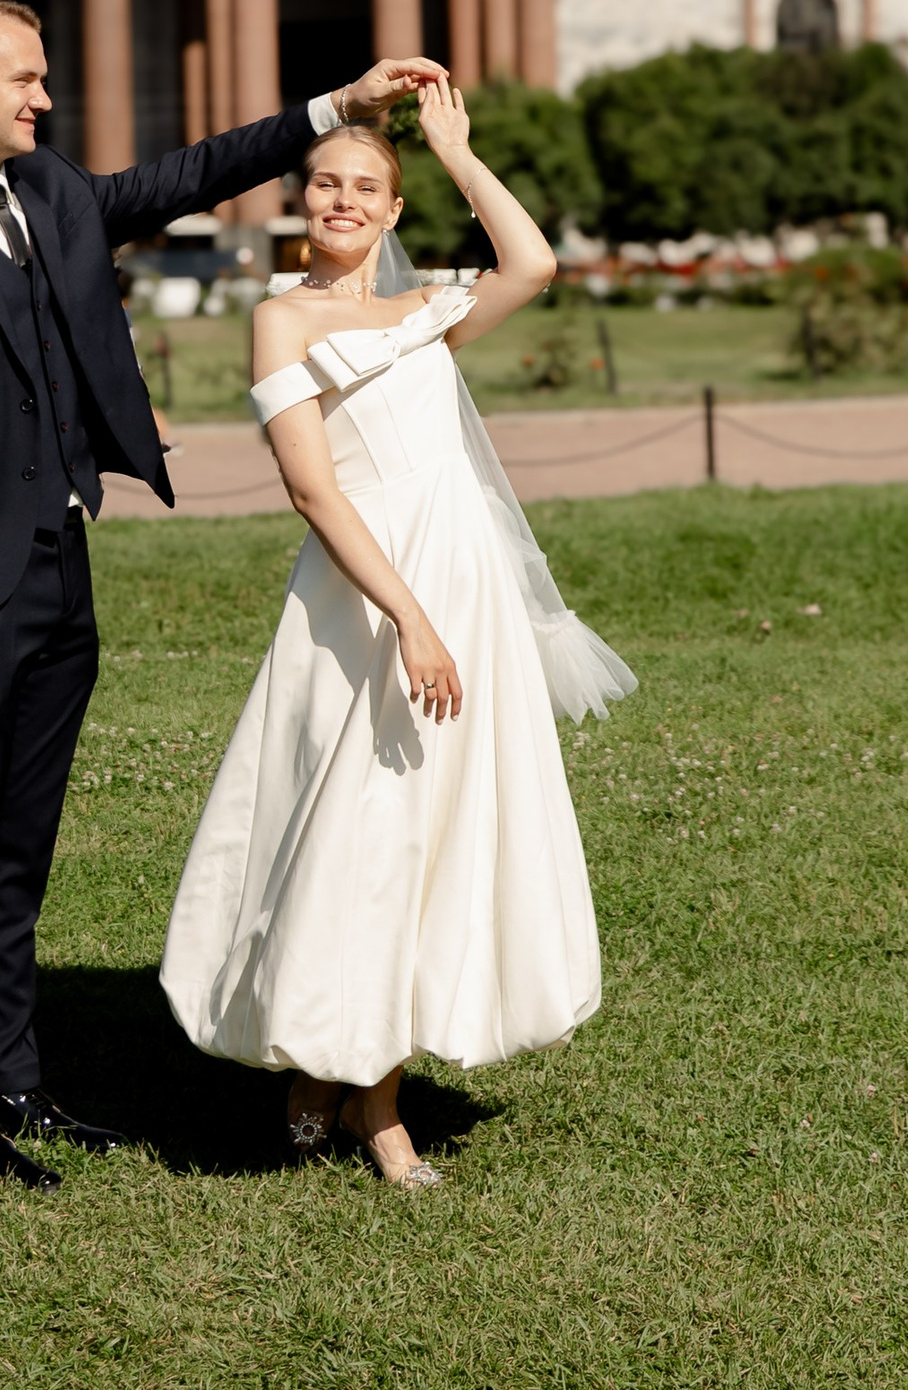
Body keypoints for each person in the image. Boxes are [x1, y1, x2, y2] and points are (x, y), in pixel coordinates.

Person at [0, 0, 448, 1189]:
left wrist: (337, 106)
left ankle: (16, 1083)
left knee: (22, 856)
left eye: (44, 77)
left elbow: (196, 171)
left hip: (61, 568)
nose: (44, 96)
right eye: (25, 77)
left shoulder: (53, 194)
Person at [161, 81, 635, 1184]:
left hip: (469, 592)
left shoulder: (426, 306)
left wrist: (460, 155)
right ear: (301, 198)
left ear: (390, 207)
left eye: (364, 187)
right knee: (364, 836)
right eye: (325, 182)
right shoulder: (282, 316)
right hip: (367, 603)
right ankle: (363, 1095)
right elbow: (314, 492)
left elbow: (534, 265)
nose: (340, 199)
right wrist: (409, 618)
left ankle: (347, 1074)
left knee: (442, 831)